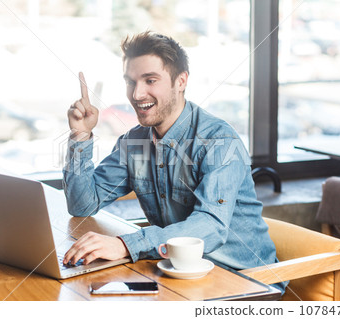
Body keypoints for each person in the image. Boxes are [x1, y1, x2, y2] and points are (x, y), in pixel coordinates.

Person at [62, 31, 287, 295]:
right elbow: (82, 204)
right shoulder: (135, 142)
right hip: (178, 275)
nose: (136, 94)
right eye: (130, 82)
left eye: (150, 80)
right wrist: (80, 136)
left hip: (244, 282)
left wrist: (125, 245)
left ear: (181, 81)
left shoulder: (219, 140)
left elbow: (211, 226)